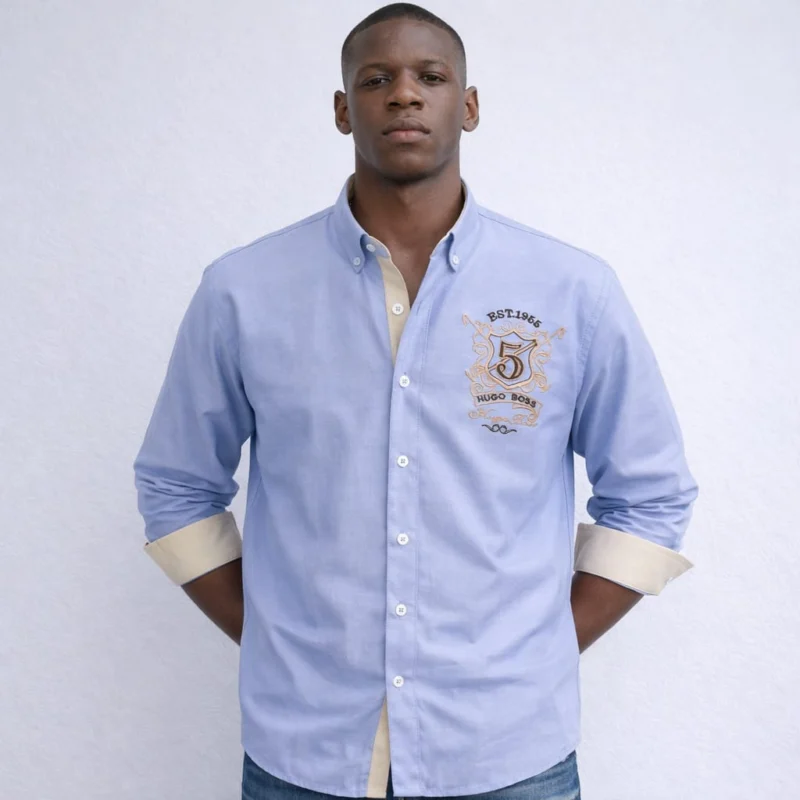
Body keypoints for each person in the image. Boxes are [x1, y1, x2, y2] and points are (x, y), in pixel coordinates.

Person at [132, 4, 699, 799]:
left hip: (510, 758)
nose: (404, 94)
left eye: (430, 77)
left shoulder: (571, 291)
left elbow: (651, 494)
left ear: (469, 105)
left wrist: (537, 653)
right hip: (304, 757)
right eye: (376, 79)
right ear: (342, 110)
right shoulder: (243, 291)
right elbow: (175, 487)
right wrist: (277, 643)